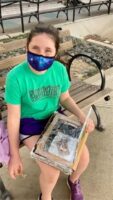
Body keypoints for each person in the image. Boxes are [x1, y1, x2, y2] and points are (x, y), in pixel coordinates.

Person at [5, 23, 95, 200]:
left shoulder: (59, 70)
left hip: (55, 120)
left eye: (48, 50)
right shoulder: (15, 77)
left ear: (55, 52)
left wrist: (81, 115)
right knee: (51, 171)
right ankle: (45, 196)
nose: (41, 55)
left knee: (83, 158)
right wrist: (14, 156)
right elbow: (14, 117)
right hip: (30, 124)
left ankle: (73, 180)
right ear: (27, 47)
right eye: (35, 48)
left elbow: (65, 98)